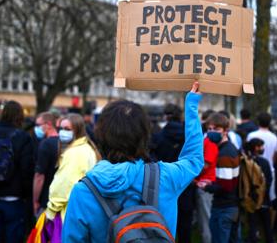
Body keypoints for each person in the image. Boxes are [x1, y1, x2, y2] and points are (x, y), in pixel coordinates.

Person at [62, 82, 204, 242]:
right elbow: (194, 159)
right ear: (144, 135)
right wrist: (191, 104)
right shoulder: (167, 177)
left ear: (100, 135)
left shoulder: (83, 191)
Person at [0, 100, 34, 243]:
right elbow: (26, 169)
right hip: (13, 196)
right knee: (13, 236)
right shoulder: (23, 137)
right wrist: (27, 195)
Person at [150, 103, 194, 243]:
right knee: (185, 227)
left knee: (164, 224)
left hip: (164, 183)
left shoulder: (157, 137)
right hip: (185, 183)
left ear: (165, 116)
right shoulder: (189, 137)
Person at [45, 113, 101, 221]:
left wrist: (51, 210)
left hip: (68, 214)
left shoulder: (75, 153)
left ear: (77, 130)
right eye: (61, 128)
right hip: (82, 211)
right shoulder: (87, 148)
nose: (62, 132)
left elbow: (64, 185)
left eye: (67, 129)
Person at [203, 112, 240, 243]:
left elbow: (226, 186)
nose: (212, 132)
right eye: (209, 129)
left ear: (225, 131)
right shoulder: (226, 149)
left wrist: (207, 186)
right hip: (229, 207)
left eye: (216, 129)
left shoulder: (225, 153)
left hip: (224, 208)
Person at [244, 138, 274, 243]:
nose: (263, 148)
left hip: (250, 198)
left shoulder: (247, 162)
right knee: (267, 225)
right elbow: (269, 179)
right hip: (263, 198)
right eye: (261, 146)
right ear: (256, 148)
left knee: (252, 223)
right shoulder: (264, 162)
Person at [247, 112, 277, 202]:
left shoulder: (251, 135)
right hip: (269, 170)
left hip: (252, 170)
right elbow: (275, 156)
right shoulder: (274, 137)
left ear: (258, 121)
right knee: (268, 197)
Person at [32, 112, 59, 216]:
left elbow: (39, 176)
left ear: (47, 124)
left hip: (45, 199)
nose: (36, 129)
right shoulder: (63, 142)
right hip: (59, 198)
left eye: (38, 125)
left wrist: (35, 201)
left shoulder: (45, 144)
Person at [195, 137, 219, 243]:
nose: (212, 130)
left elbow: (205, 165)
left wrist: (191, 175)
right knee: (205, 218)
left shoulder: (210, 141)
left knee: (206, 220)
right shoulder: (209, 140)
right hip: (206, 183)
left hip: (205, 184)